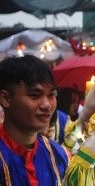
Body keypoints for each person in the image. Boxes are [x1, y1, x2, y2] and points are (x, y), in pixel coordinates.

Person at [0, 55, 70, 185]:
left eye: (51, 95)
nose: (47, 105)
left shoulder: (59, 155)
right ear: (6, 99)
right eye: (35, 95)